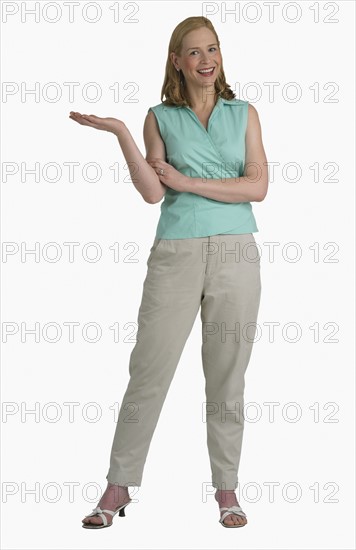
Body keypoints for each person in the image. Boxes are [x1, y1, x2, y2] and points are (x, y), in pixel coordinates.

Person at [70, 15, 268, 529]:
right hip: (176, 253)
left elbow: (258, 189)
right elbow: (154, 192)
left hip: (236, 255)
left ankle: (227, 491)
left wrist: (188, 180)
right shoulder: (158, 117)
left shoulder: (244, 113)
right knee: (148, 372)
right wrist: (121, 135)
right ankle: (118, 486)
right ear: (177, 61)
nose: (207, 61)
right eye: (195, 52)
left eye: (214, 49)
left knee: (228, 376)